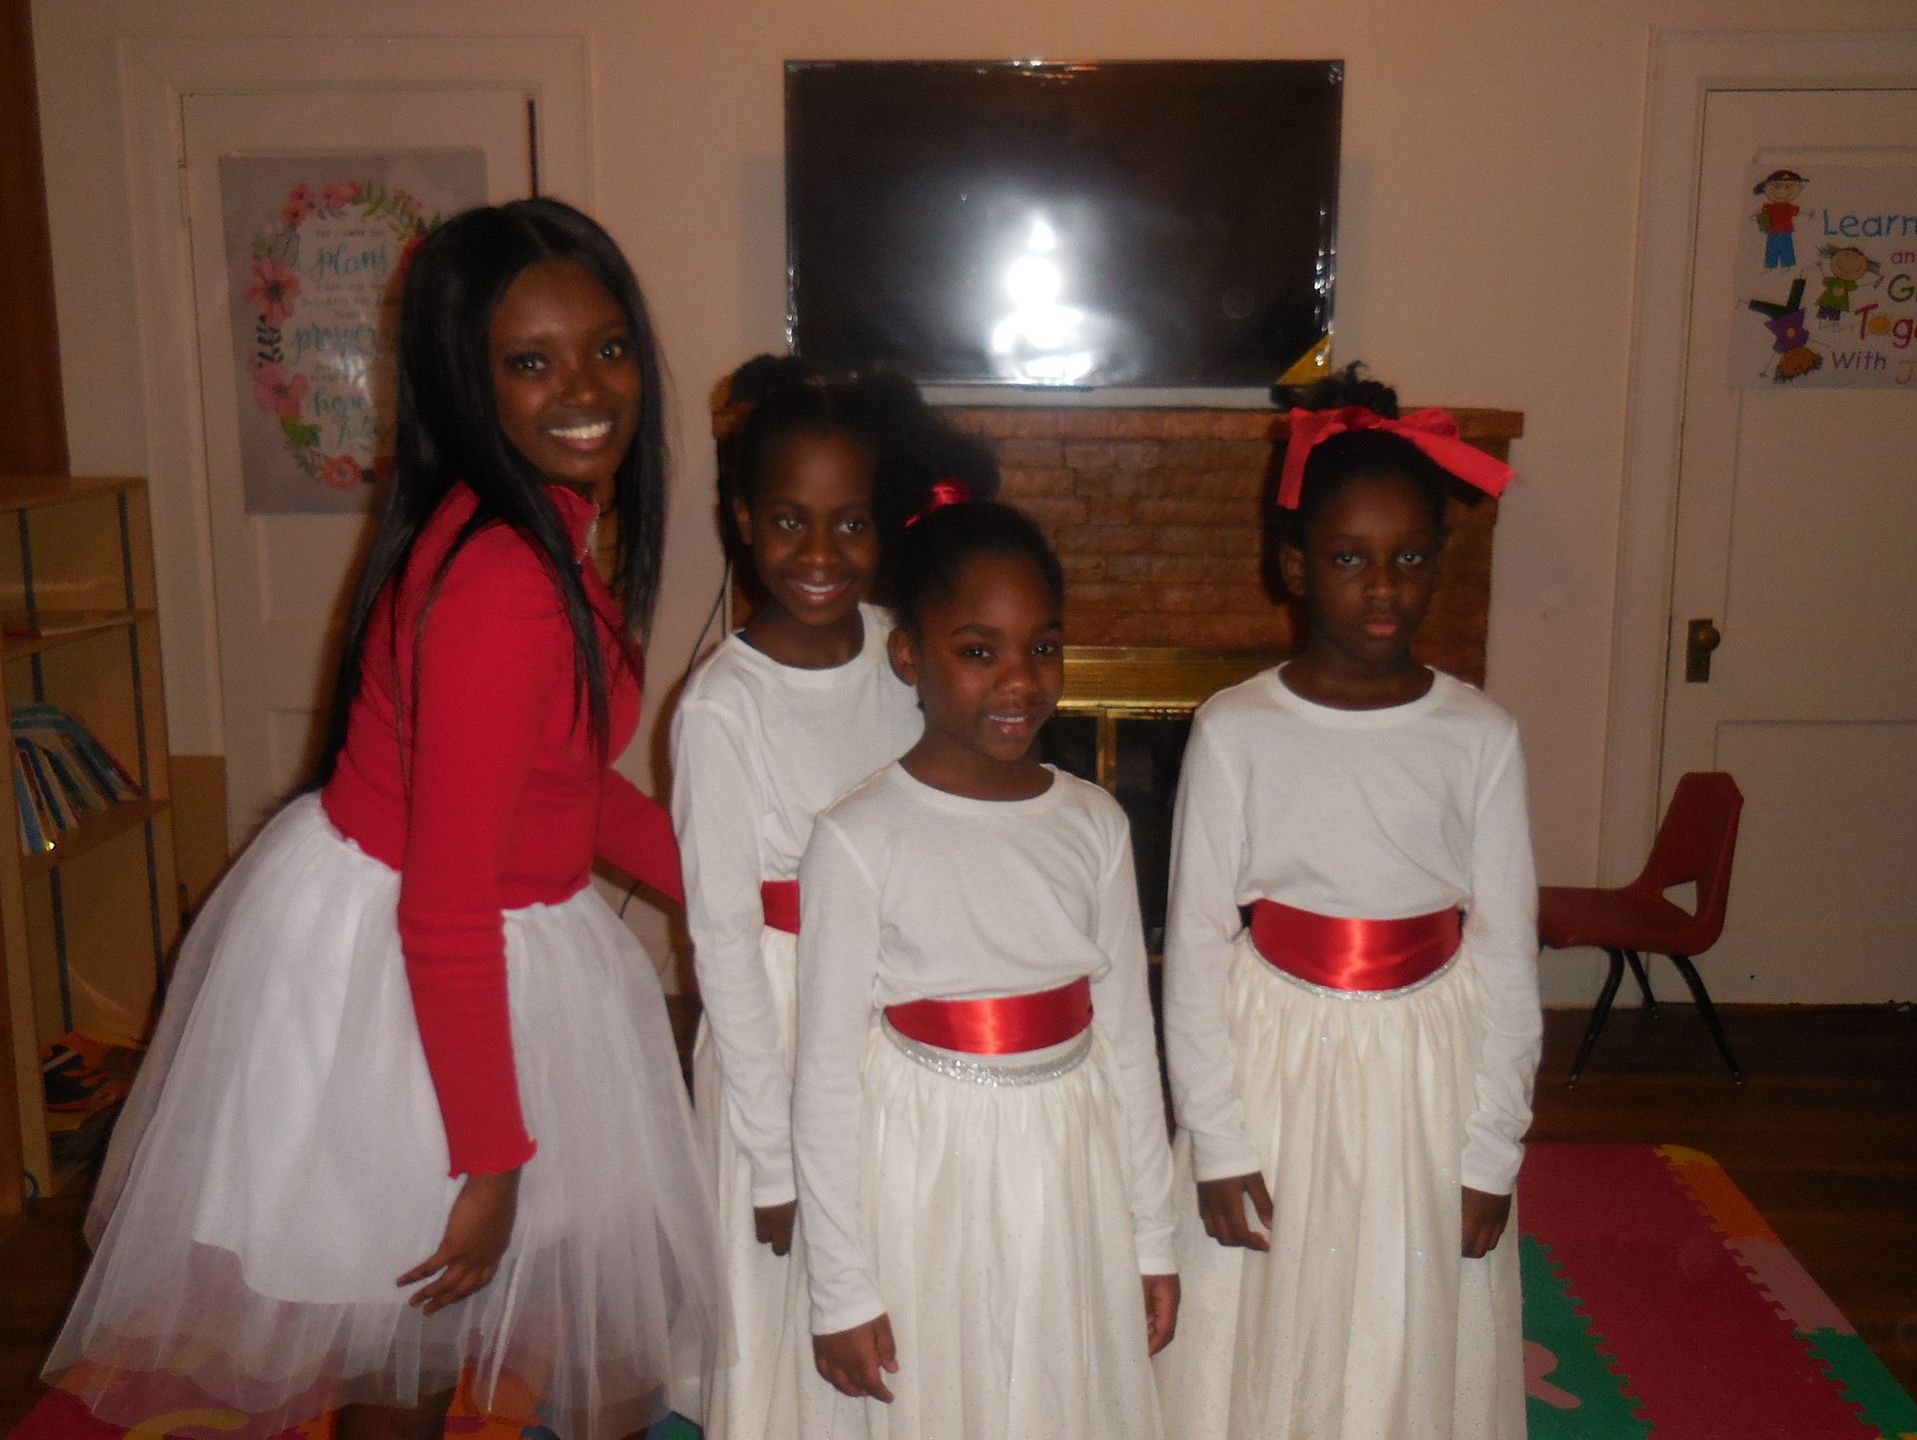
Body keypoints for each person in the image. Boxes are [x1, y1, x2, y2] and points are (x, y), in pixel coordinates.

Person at [42, 198, 726, 1440]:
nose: (587, 388)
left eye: (608, 348)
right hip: (427, 973)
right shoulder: (504, 584)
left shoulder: (519, 521)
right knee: (425, 1328)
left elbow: (560, 792)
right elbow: (451, 906)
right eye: (531, 362)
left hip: (438, 935)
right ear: (468, 383)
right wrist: (493, 1158)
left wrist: (723, 890)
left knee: (408, 1344)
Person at [1154, 364, 1540, 1440]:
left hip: (1429, 1071)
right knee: (1275, 1312)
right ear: (1293, 567)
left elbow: (1508, 953)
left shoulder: (1481, 739)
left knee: (1403, 1316)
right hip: (1276, 1058)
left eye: (1410, 558)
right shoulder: (1237, 730)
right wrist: (1218, 1138)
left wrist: (1491, 1150)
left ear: (1439, 566)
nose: (1384, 587)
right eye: (1349, 559)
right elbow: (1193, 946)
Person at [790, 500, 1179, 1440]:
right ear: (910, 657)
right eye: (978, 651)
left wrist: (1153, 1235)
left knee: (1054, 1387)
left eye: (1042, 648)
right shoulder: (856, 838)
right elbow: (826, 1077)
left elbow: (1129, 1040)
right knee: (942, 1388)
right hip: (926, 1164)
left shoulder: (1095, 824)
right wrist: (840, 1287)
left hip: (1069, 1161)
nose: (1018, 680)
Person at [670, 362, 995, 1436]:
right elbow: (720, 940)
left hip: (885, 1023)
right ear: (741, 521)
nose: (820, 556)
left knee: (887, 1274)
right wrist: (771, 1157)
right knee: (788, 1308)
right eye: (789, 523)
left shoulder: (905, 657)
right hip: (779, 1006)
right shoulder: (722, 708)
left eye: (849, 524)